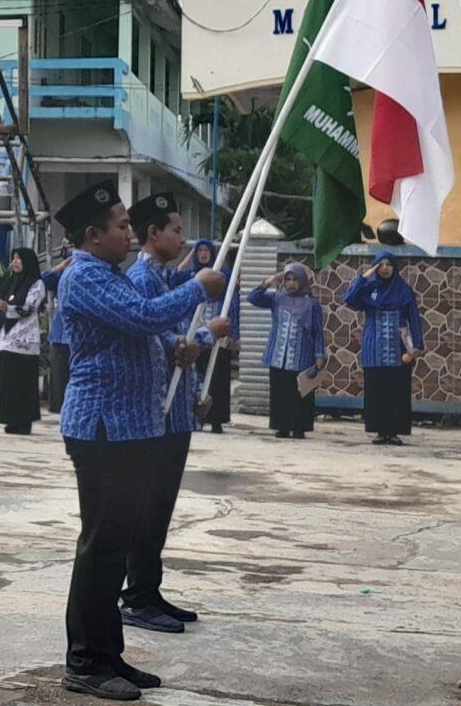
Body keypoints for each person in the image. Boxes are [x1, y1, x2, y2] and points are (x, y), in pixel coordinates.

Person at [51, 182, 228, 703]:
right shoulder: (83, 276)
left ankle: (108, 655)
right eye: (122, 227)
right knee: (101, 547)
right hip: (103, 428)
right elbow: (146, 316)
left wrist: (179, 345)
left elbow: (147, 333)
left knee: (115, 545)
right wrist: (198, 285)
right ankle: (84, 660)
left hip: (129, 427)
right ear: (93, 235)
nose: (129, 235)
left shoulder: (108, 274)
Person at [122, 195, 216, 635]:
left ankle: (149, 589)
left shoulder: (162, 278)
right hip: (153, 416)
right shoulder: (141, 279)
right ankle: (137, 596)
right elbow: (153, 338)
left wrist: (196, 392)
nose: (183, 237)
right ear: (153, 233)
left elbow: (175, 343)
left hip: (175, 413)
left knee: (160, 510)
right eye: (176, 229)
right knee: (145, 508)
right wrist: (199, 338)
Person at [342, 254, 426, 446]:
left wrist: (418, 345)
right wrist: (364, 277)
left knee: (397, 391)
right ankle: (380, 432)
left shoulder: (404, 291)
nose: (385, 268)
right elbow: (348, 298)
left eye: (389, 265)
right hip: (374, 348)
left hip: (399, 349)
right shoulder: (369, 289)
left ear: (395, 268)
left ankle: (394, 432)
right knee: (376, 391)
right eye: (381, 265)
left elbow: (414, 317)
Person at [244, 262, 324, 440]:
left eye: (295, 279)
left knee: (300, 393)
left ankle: (299, 428)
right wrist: (268, 282)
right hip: (278, 356)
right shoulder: (277, 299)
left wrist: (319, 354)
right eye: (288, 279)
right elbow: (253, 298)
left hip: (301, 356)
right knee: (280, 393)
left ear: (302, 281)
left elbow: (318, 331)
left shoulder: (311, 304)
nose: (291, 283)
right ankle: (281, 427)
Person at [0, 246, 47, 436]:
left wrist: (8, 308)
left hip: (25, 341)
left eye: (18, 259)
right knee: (9, 383)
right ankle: (10, 419)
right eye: (13, 258)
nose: (14, 262)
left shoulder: (36, 283)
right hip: (8, 339)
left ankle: (24, 421)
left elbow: (29, 309)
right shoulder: (10, 282)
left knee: (23, 384)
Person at [187, 240, 235, 434]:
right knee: (196, 376)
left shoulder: (223, 277)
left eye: (207, 250)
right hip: (197, 334)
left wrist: (233, 333)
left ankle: (217, 420)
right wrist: (187, 260)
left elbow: (233, 302)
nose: (204, 254)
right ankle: (198, 417)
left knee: (219, 379)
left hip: (218, 336)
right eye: (200, 250)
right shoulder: (190, 277)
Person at [41, 244, 73, 415]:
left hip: (76, 336)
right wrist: (60, 267)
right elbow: (43, 279)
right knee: (59, 374)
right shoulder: (62, 275)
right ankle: (58, 406)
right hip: (60, 333)